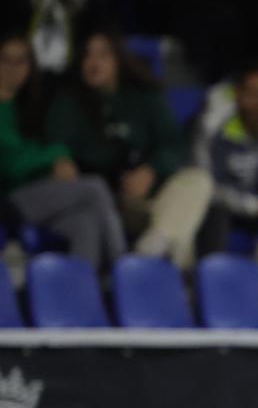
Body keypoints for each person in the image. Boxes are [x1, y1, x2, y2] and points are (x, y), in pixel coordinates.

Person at [45, 30, 212, 267]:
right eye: (87, 56)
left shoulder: (145, 97)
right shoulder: (68, 101)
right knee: (182, 239)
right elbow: (56, 145)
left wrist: (150, 171)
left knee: (198, 181)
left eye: (103, 55)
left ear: (119, 59)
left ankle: (150, 249)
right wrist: (61, 160)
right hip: (106, 202)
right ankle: (154, 264)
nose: (94, 63)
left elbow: (174, 144)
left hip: (148, 201)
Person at [0, 33, 125, 269]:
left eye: (21, 61)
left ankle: (83, 287)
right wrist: (54, 158)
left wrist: (59, 159)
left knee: (85, 221)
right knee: (95, 187)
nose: (13, 68)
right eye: (5, 59)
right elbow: (11, 164)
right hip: (9, 201)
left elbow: (41, 148)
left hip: (39, 195)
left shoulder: (26, 106)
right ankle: (123, 270)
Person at [195, 59, 258, 275]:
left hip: (255, 204)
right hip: (218, 206)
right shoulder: (215, 128)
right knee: (216, 215)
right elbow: (210, 188)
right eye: (255, 94)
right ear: (238, 94)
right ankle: (208, 285)